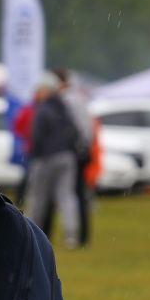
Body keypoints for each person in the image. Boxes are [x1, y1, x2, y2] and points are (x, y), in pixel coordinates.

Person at [24, 73, 81, 249]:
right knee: (66, 196)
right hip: (67, 156)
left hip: (45, 158)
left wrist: (33, 156)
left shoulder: (42, 109)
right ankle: (71, 236)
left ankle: (31, 235)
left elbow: (37, 136)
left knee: (38, 198)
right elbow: (75, 131)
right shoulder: (64, 107)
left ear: (45, 90)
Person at [55, 68, 93, 246]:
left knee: (75, 194)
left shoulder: (68, 100)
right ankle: (82, 235)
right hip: (80, 150)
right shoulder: (77, 97)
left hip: (75, 151)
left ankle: (80, 235)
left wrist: (80, 147)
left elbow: (79, 127)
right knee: (78, 194)